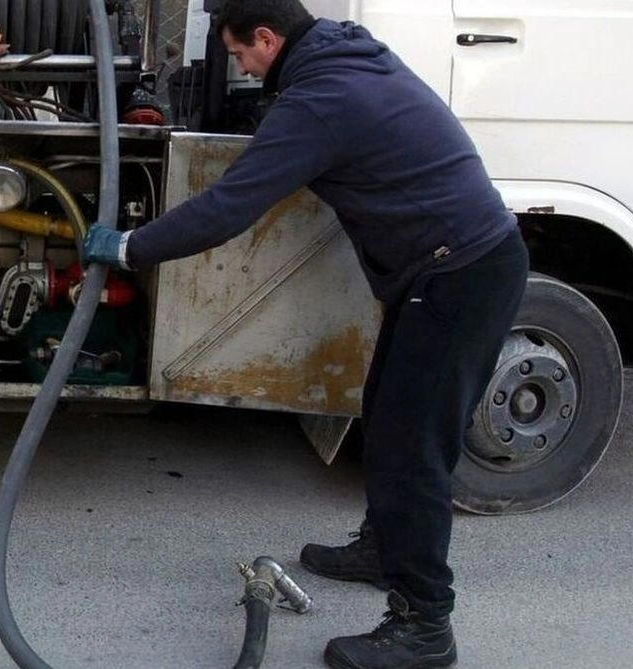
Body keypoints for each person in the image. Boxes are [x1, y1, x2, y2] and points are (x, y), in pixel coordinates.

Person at [83, 1, 529, 668]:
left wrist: (129, 247)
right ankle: (385, 546)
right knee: (385, 419)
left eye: (241, 53)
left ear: (268, 38)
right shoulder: (343, 51)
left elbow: (228, 206)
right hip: (445, 268)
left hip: (460, 276)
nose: (240, 67)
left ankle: (424, 624)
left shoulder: (320, 99)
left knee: (414, 450)